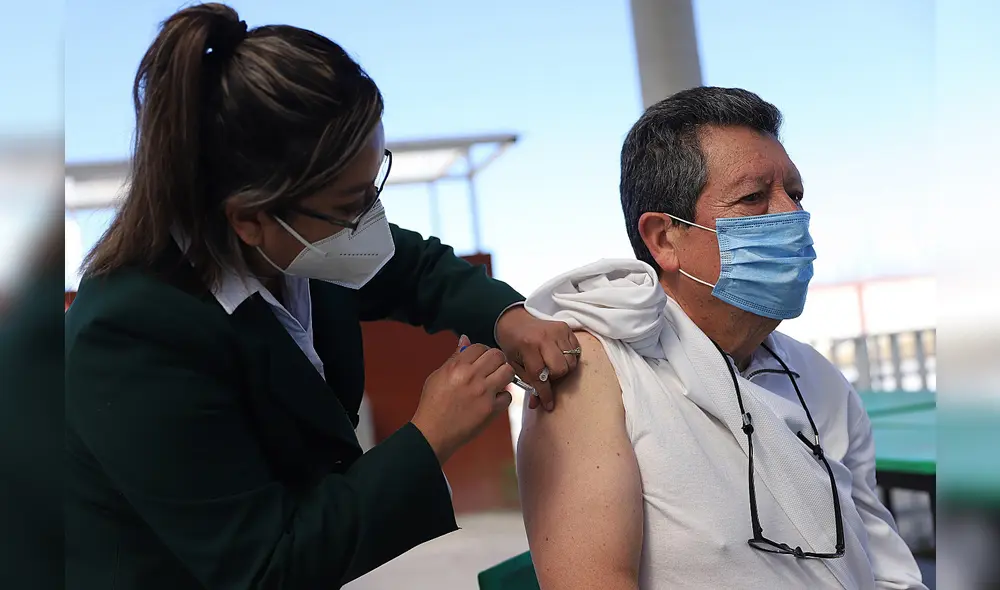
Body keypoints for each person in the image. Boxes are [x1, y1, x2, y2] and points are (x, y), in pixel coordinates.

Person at [64, 4, 581, 589]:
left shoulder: (303, 247)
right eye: (347, 204)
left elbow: (412, 268)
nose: (371, 221)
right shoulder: (132, 337)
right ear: (249, 219)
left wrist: (508, 316)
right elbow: (266, 569)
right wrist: (430, 436)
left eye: (373, 183)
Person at [516, 87, 927, 589]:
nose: (791, 216)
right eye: (755, 198)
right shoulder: (598, 375)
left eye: (794, 195)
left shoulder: (817, 378)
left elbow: (879, 559)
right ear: (664, 238)